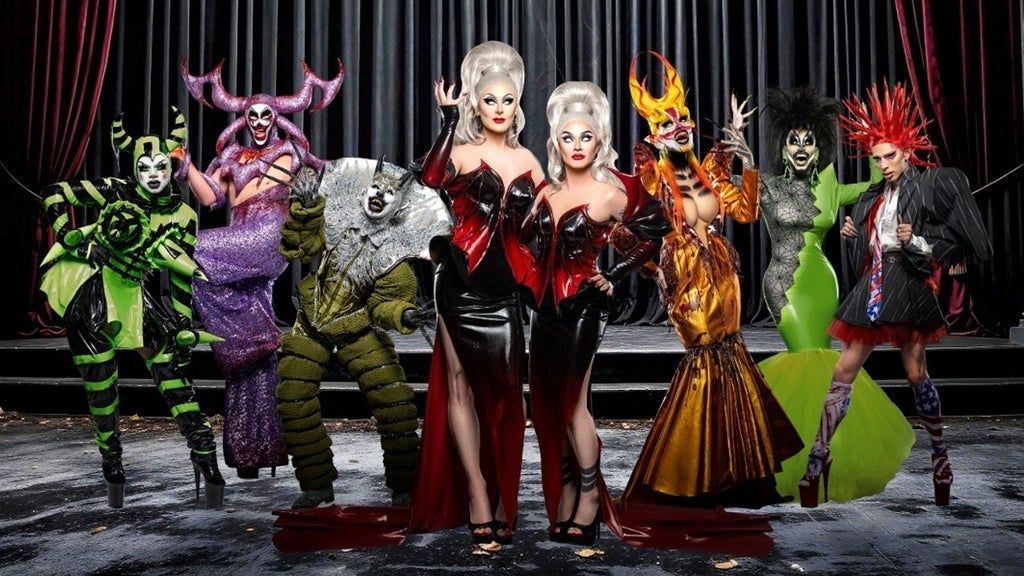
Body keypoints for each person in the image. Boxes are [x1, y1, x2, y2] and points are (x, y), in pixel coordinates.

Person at [619, 51, 803, 509]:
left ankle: (740, 479)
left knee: (730, 361)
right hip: (687, 281)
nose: (679, 126)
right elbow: (628, 231)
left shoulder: (710, 170)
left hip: (721, 273)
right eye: (667, 124)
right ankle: (683, 476)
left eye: (682, 118)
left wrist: (748, 163)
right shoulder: (653, 178)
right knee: (703, 362)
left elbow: (747, 211)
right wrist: (657, 272)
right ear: (654, 136)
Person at [799, 82, 991, 507]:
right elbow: (868, 252)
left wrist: (915, 239)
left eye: (890, 156)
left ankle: (941, 461)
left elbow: (952, 243)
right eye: (877, 158)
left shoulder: (928, 188)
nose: (883, 165)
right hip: (875, 285)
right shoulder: (872, 197)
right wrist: (854, 235)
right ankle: (818, 458)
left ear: (906, 153)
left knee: (916, 373)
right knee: (844, 369)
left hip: (908, 284)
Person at [39, 110, 225, 508]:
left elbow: (180, 279)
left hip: (136, 299)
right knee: (101, 385)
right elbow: (55, 193)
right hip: (93, 297)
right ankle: (113, 465)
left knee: (172, 370)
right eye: (144, 167)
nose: (153, 174)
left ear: (172, 168)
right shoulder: (116, 190)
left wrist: (180, 323)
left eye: (160, 166)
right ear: (135, 169)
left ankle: (205, 456)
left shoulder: (184, 216)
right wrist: (70, 237)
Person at [738, 85, 915, 502]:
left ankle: (820, 456)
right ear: (783, 150)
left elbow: (872, 186)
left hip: (823, 281)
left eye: (809, 142)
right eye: (793, 141)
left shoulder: (831, 184)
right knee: (802, 360)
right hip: (783, 285)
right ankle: (793, 459)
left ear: (819, 150)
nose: (801, 148)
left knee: (822, 365)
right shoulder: (766, 184)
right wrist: (744, 159)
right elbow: (740, 206)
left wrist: (875, 142)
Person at [177, 59, 344, 478]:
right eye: (252, 115)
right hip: (238, 245)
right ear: (244, 120)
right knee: (249, 361)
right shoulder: (231, 157)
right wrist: (186, 166)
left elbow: (315, 183)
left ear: (276, 118)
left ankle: (254, 337)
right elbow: (211, 199)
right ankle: (255, 453)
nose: (259, 122)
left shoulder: (289, 153)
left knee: (190, 251)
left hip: (269, 238)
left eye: (266, 115)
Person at [409, 40, 546, 545]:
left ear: (518, 105)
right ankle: (477, 492)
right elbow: (430, 177)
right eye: (490, 100)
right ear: (476, 104)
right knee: (460, 387)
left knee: (508, 396)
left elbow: (545, 226)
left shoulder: (529, 159)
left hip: (505, 290)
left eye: (508, 100)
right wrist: (447, 122)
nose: (500, 109)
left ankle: (503, 486)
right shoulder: (462, 152)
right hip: (459, 283)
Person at [525, 81, 670, 545]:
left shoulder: (611, 193)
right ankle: (568, 489)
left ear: (598, 140)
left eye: (585, 137)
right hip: (545, 311)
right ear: (556, 142)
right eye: (567, 137)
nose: (577, 145)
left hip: (585, 308)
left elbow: (656, 230)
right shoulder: (546, 191)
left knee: (572, 405)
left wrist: (614, 272)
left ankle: (588, 497)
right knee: (551, 409)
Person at [272, 157, 450, 509]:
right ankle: (316, 485)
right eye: (376, 188)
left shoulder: (395, 257)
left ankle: (406, 486)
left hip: (357, 327)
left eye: (389, 194)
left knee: (394, 402)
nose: (380, 195)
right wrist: (306, 209)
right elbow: (301, 247)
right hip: (312, 320)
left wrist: (405, 313)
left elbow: (385, 304)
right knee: (292, 397)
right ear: (364, 191)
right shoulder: (335, 222)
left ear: (399, 208)